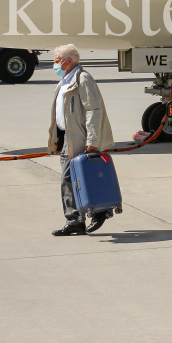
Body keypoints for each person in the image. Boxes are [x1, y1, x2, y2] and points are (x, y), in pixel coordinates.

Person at [47, 44, 115, 236]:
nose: (55, 65)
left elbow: (94, 110)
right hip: (67, 136)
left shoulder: (82, 79)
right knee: (73, 179)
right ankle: (77, 219)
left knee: (74, 178)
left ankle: (93, 212)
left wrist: (92, 140)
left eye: (56, 61)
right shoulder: (65, 80)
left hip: (80, 137)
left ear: (68, 62)